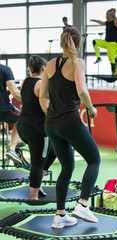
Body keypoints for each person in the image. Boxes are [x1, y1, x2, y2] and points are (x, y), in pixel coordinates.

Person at [40, 27, 101, 228]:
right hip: (70, 122)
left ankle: (60, 216)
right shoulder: (78, 63)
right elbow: (82, 90)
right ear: (78, 44)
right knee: (94, 159)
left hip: (51, 124)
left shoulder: (50, 65)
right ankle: (83, 204)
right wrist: (90, 108)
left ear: (61, 43)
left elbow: (44, 95)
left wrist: (59, 99)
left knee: (67, 167)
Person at [17, 55, 56, 200]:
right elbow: (47, 107)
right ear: (43, 68)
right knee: (38, 163)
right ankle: (33, 197)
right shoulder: (41, 85)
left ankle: (37, 183)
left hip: (23, 126)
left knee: (52, 152)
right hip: (38, 129)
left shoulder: (25, 81)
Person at [91, 9, 117, 75]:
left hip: (113, 43)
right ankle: (98, 57)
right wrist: (94, 20)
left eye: (107, 14)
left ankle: (115, 73)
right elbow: (101, 22)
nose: (106, 16)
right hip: (106, 42)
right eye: (106, 14)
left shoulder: (116, 21)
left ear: (112, 15)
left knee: (112, 59)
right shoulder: (107, 23)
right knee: (94, 41)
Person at [0, 63, 22, 164]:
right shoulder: (4, 69)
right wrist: (31, 101)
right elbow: (15, 93)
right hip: (3, 109)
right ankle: (12, 149)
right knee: (21, 118)